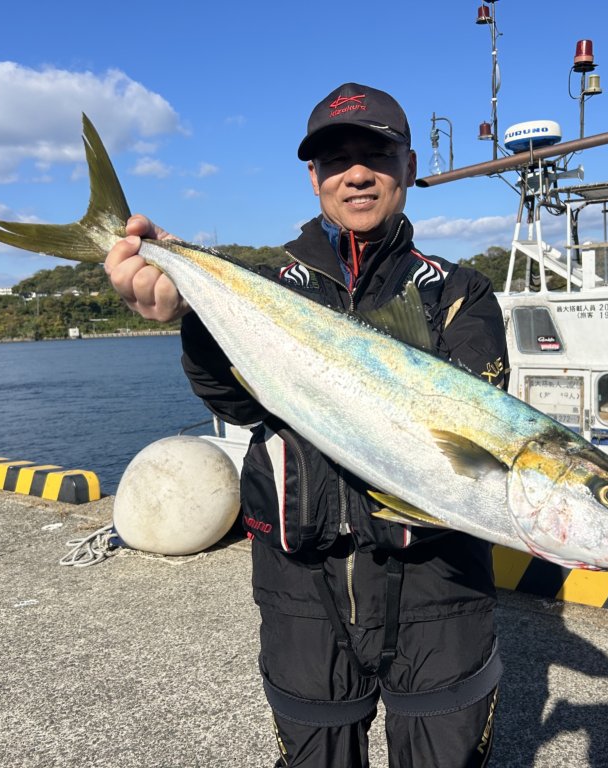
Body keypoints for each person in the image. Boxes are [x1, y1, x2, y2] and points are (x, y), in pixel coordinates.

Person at [105, 82, 510, 768]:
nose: (356, 173)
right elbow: (236, 405)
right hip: (302, 584)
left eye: (376, 155)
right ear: (314, 177)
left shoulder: (458, 292)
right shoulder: (268, 290)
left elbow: (476, 432)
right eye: (334, 159)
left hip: (439, 583)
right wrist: (193, 321)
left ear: (409, 167)